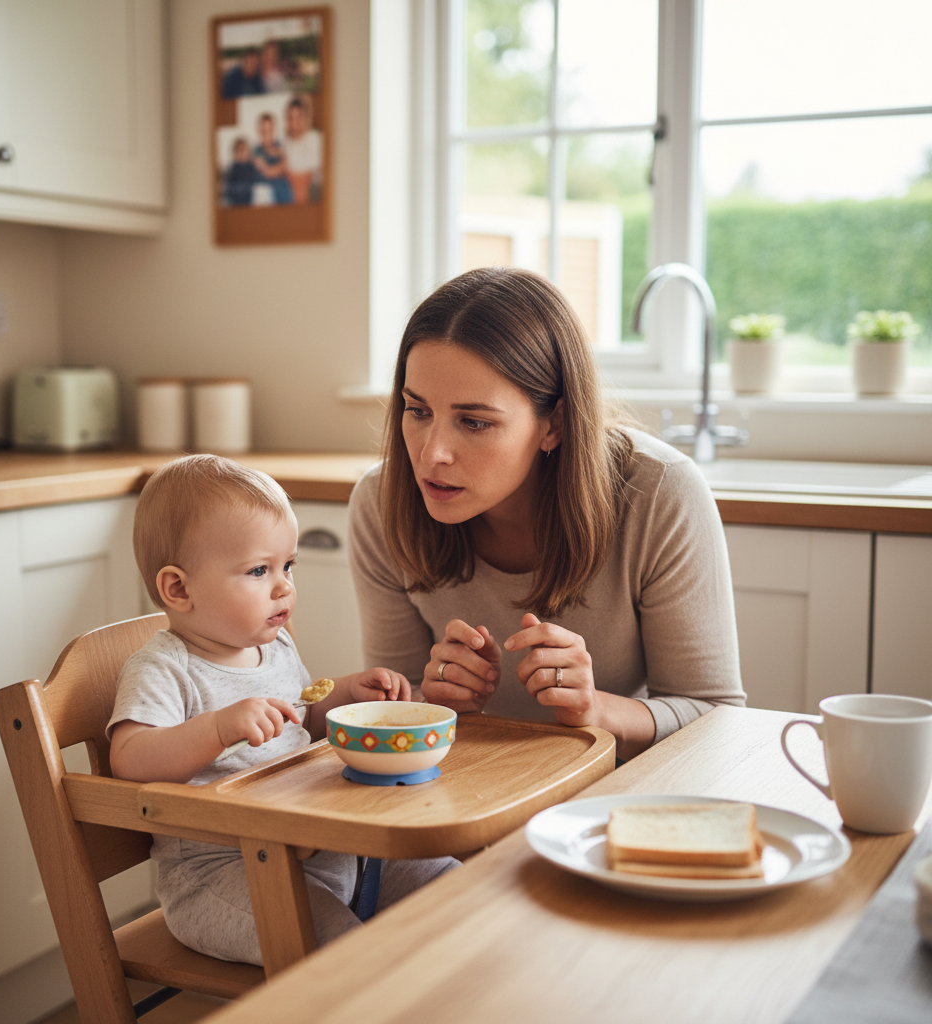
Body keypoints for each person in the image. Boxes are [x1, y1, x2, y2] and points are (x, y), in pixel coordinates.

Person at [348, 268, 746, 764]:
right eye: (417, 410)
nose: (432, 456)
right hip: (466, 785)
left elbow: (715, 714)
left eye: (474, 422)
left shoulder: (661, 493)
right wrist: (435, 702)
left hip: (610, 794)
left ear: (554, 423)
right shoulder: (381, 502)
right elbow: (394, 703)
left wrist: (596, 710)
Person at [109, 455, 456, 965]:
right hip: (227, 874)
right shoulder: (164, 667)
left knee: (453, 884)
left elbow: (303, 717)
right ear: (178, 589)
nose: (284, 586)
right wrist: (217, 728)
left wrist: (346, 691)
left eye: (287, 566)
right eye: (258, 570)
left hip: (326, 851)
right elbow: (130, 758)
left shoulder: (274, 646)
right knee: (343, 956)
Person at [284, 96, 322, 204]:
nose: (294, 123)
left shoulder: (315, 139)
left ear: (306, 118)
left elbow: (309, 175)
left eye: (299, 117)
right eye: (291, 118)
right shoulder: (284, 142)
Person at [251, 113, 293, 205]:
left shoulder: (279, 146)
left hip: (281, 188)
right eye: (263, 131)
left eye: (269, 130)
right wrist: (281, 166)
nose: (267, 134)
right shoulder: (256, 151)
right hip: (264, 188)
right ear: (259, 131)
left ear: (274, 130)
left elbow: (288, 166)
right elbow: (268, 172)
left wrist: (282, 158)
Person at [222, 137, 259, 206]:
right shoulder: (231, 169)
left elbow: (254, 185)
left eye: (243, 150)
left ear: (248, 152)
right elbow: (228, 187)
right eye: (237, 150)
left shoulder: (252, 167)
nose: (240, 153)